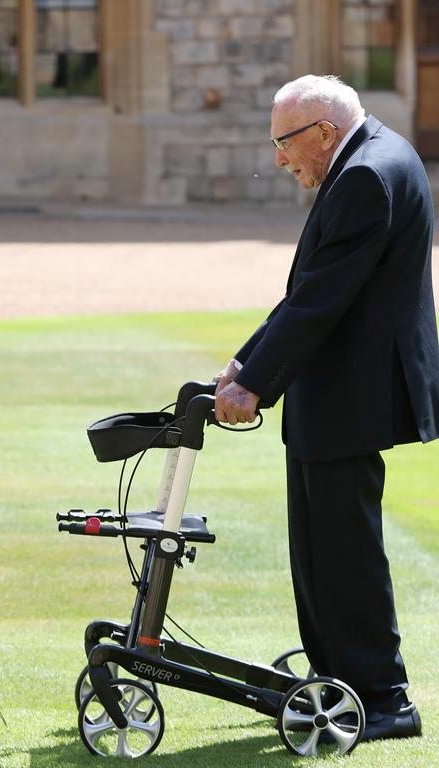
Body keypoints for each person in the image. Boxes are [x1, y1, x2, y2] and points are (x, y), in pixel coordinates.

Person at [214, 74, 439, 742]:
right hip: (338, 389)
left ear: (324, 134)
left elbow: (322, 298)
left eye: (285, 144)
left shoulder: (368, 174)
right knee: (318, 548)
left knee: (343, 551)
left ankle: (383, 698)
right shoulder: (370, 156)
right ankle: (337, 675)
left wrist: (254, 382)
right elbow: (313, 289)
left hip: (353, 391)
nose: (280, 160)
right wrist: (245, 361)